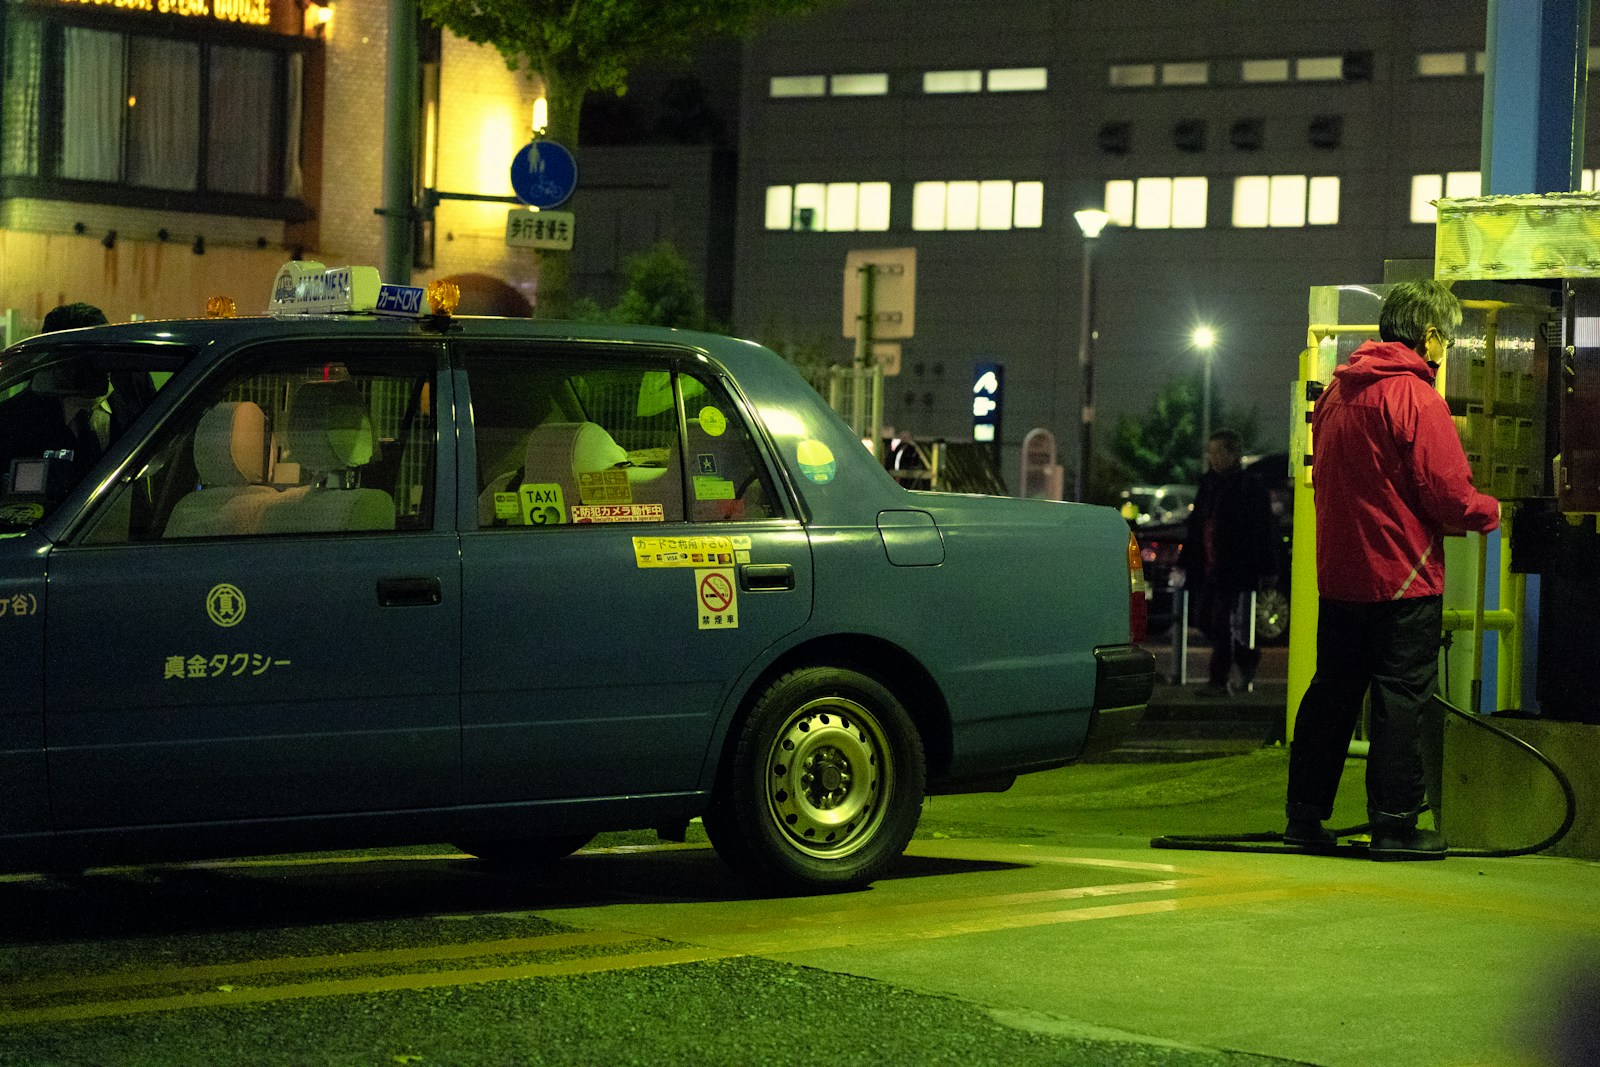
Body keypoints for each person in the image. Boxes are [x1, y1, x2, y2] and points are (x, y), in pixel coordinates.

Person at [1284, 279, 1500, 861]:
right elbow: (1449, 496)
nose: (1444, 349)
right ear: (1430, 335)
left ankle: (1303, 817)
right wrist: (1493, 511)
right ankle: (1396, 824)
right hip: (1403, 580)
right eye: (1446, 339)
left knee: (1332, 693)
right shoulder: (1416, 398)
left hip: (1340, 578)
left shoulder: (1335, 393)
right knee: (1401, 700)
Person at [1175, 428, 1277, 698]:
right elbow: (1197, 525)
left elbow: (1262, 529)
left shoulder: (1249, 487)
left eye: (1219, 452)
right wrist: (1186, 559)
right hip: (1208, 564)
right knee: (1203, 619)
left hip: (1232, 565)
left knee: (1220, 620)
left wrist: (1267, 566)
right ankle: (1245, 656)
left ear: (1234, 455)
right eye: (1211, 452)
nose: (1214, 458)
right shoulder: (1208, 484)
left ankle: (1218, 680)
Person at [0, 303, 110, 496]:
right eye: (84, 360)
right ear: (53, 362)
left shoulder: (130, 388)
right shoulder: (11, 422)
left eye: (104, 356)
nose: (101, 369)